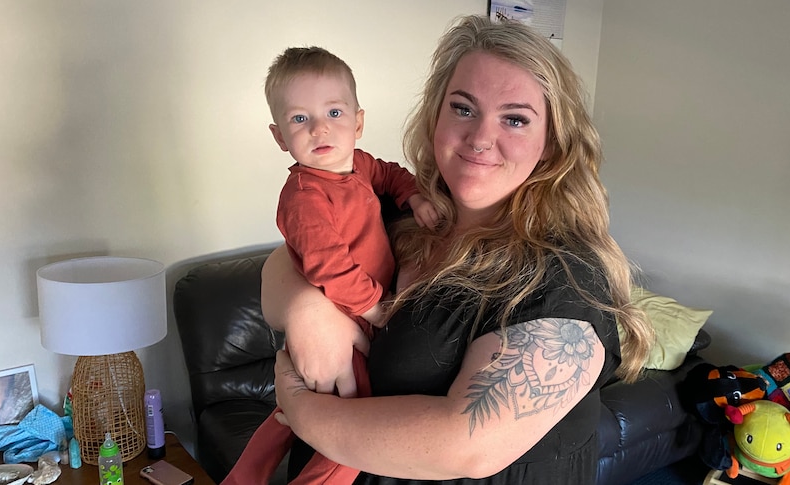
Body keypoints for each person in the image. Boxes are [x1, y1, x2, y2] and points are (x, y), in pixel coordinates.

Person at [262, 15, 655, 484]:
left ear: (550, 144)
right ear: (435, 118)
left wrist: (299, 406)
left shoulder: (565, 278)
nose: (480, 139)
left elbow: (463, 446)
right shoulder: (402, 208)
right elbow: (281, 263)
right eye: (464, 109)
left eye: (514, 119)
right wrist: (310, 310)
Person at [222, 46, 438, 485]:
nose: (320, 128)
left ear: (358, 122)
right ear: (279, 136)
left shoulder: (356, 164)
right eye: (300, 119)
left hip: (352, 313)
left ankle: (245, 474)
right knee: (353, 432)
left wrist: (413, 195)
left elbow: (389, 173)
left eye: (334, 112)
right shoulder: (304, 197)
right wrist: (376, 308)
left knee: (292, 414)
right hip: (345, 319)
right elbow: (328, 268)